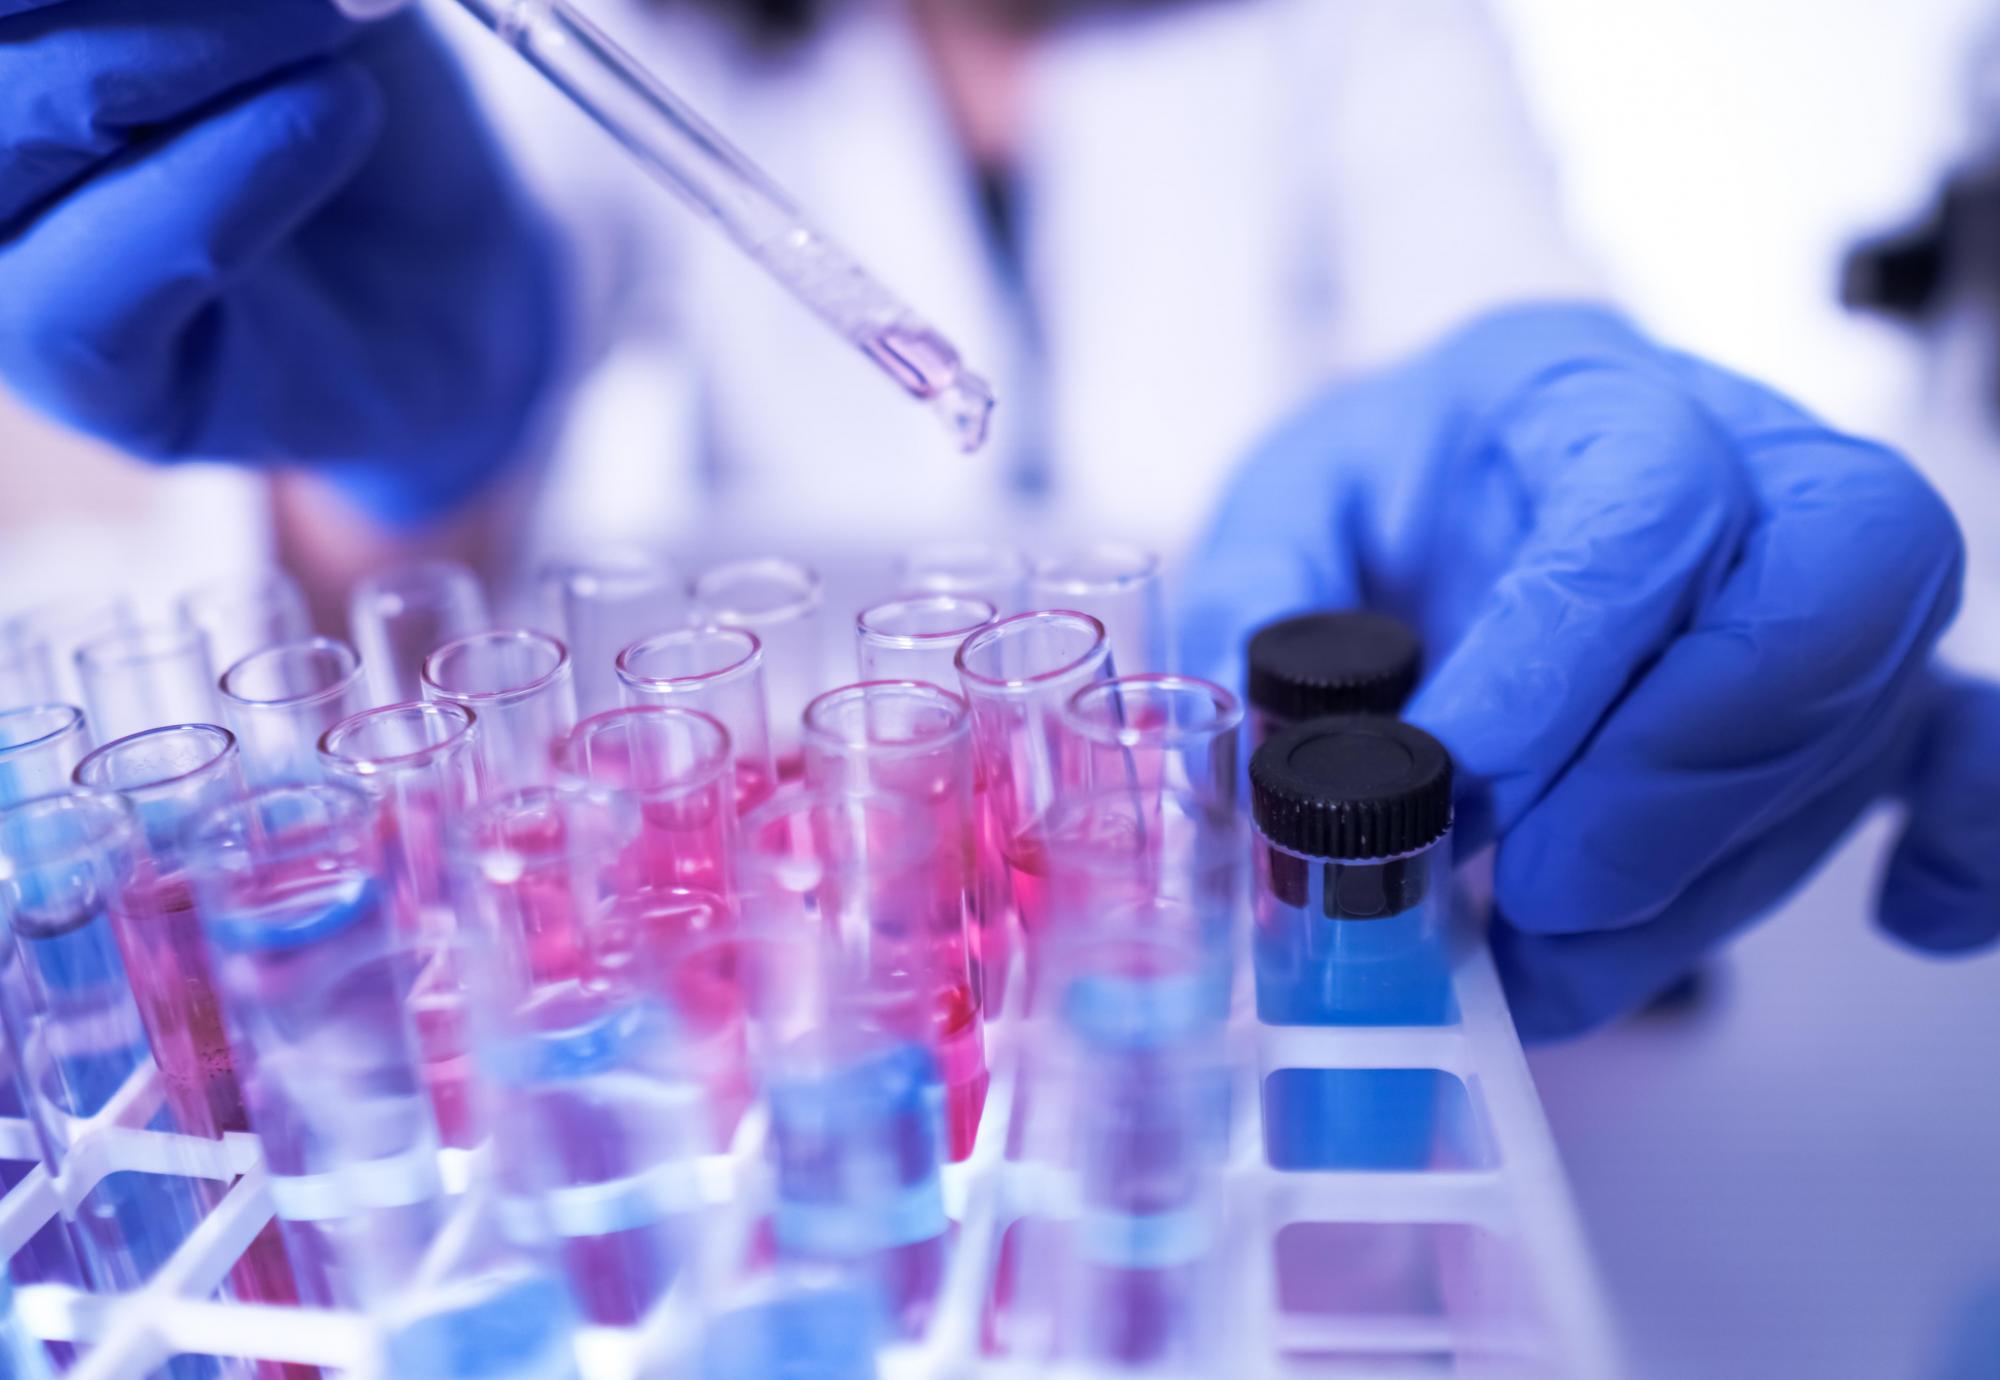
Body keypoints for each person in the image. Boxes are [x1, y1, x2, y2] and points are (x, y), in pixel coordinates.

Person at [0, 0, 1994, 1038]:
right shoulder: (627, 33)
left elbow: (1493, 318)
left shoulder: (1355, 24)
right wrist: (414, 465)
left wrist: (1572, 487)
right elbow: (405, 654)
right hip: (819, 969)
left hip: (1230, 963)